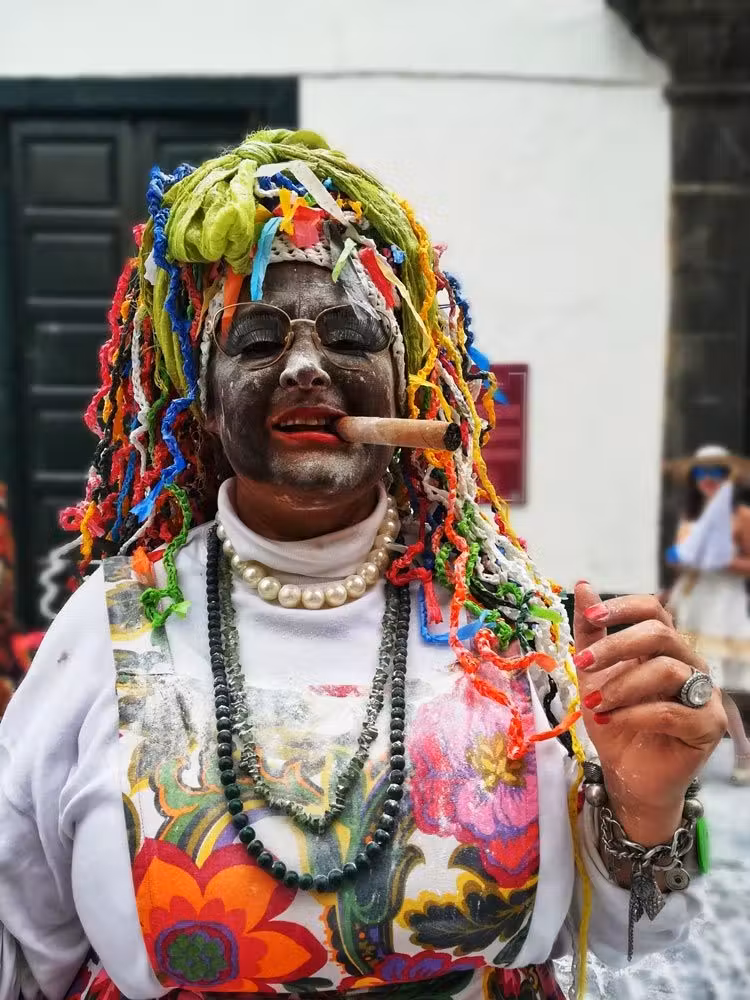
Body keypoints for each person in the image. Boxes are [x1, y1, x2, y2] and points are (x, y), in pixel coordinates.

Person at [0, 131, 725, 1000]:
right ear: (201, 400)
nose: (307, 367)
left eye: (349, 336)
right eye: (258, 342)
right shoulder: (109, 630)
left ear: (408, 385)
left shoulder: (513, 627)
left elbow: (633, 939)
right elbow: (18, 948)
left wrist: (647, 805)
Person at [666, 444, 750, 785]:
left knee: (715, 685)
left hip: (722, 607)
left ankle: (742, 750)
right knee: (694, 681)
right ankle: (698, 754)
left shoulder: (741, 517)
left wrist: (720, 562)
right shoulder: (693, 518)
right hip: (693, 605)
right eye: (702, 473)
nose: (709, 480)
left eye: (716, 473)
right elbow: (684, 565)